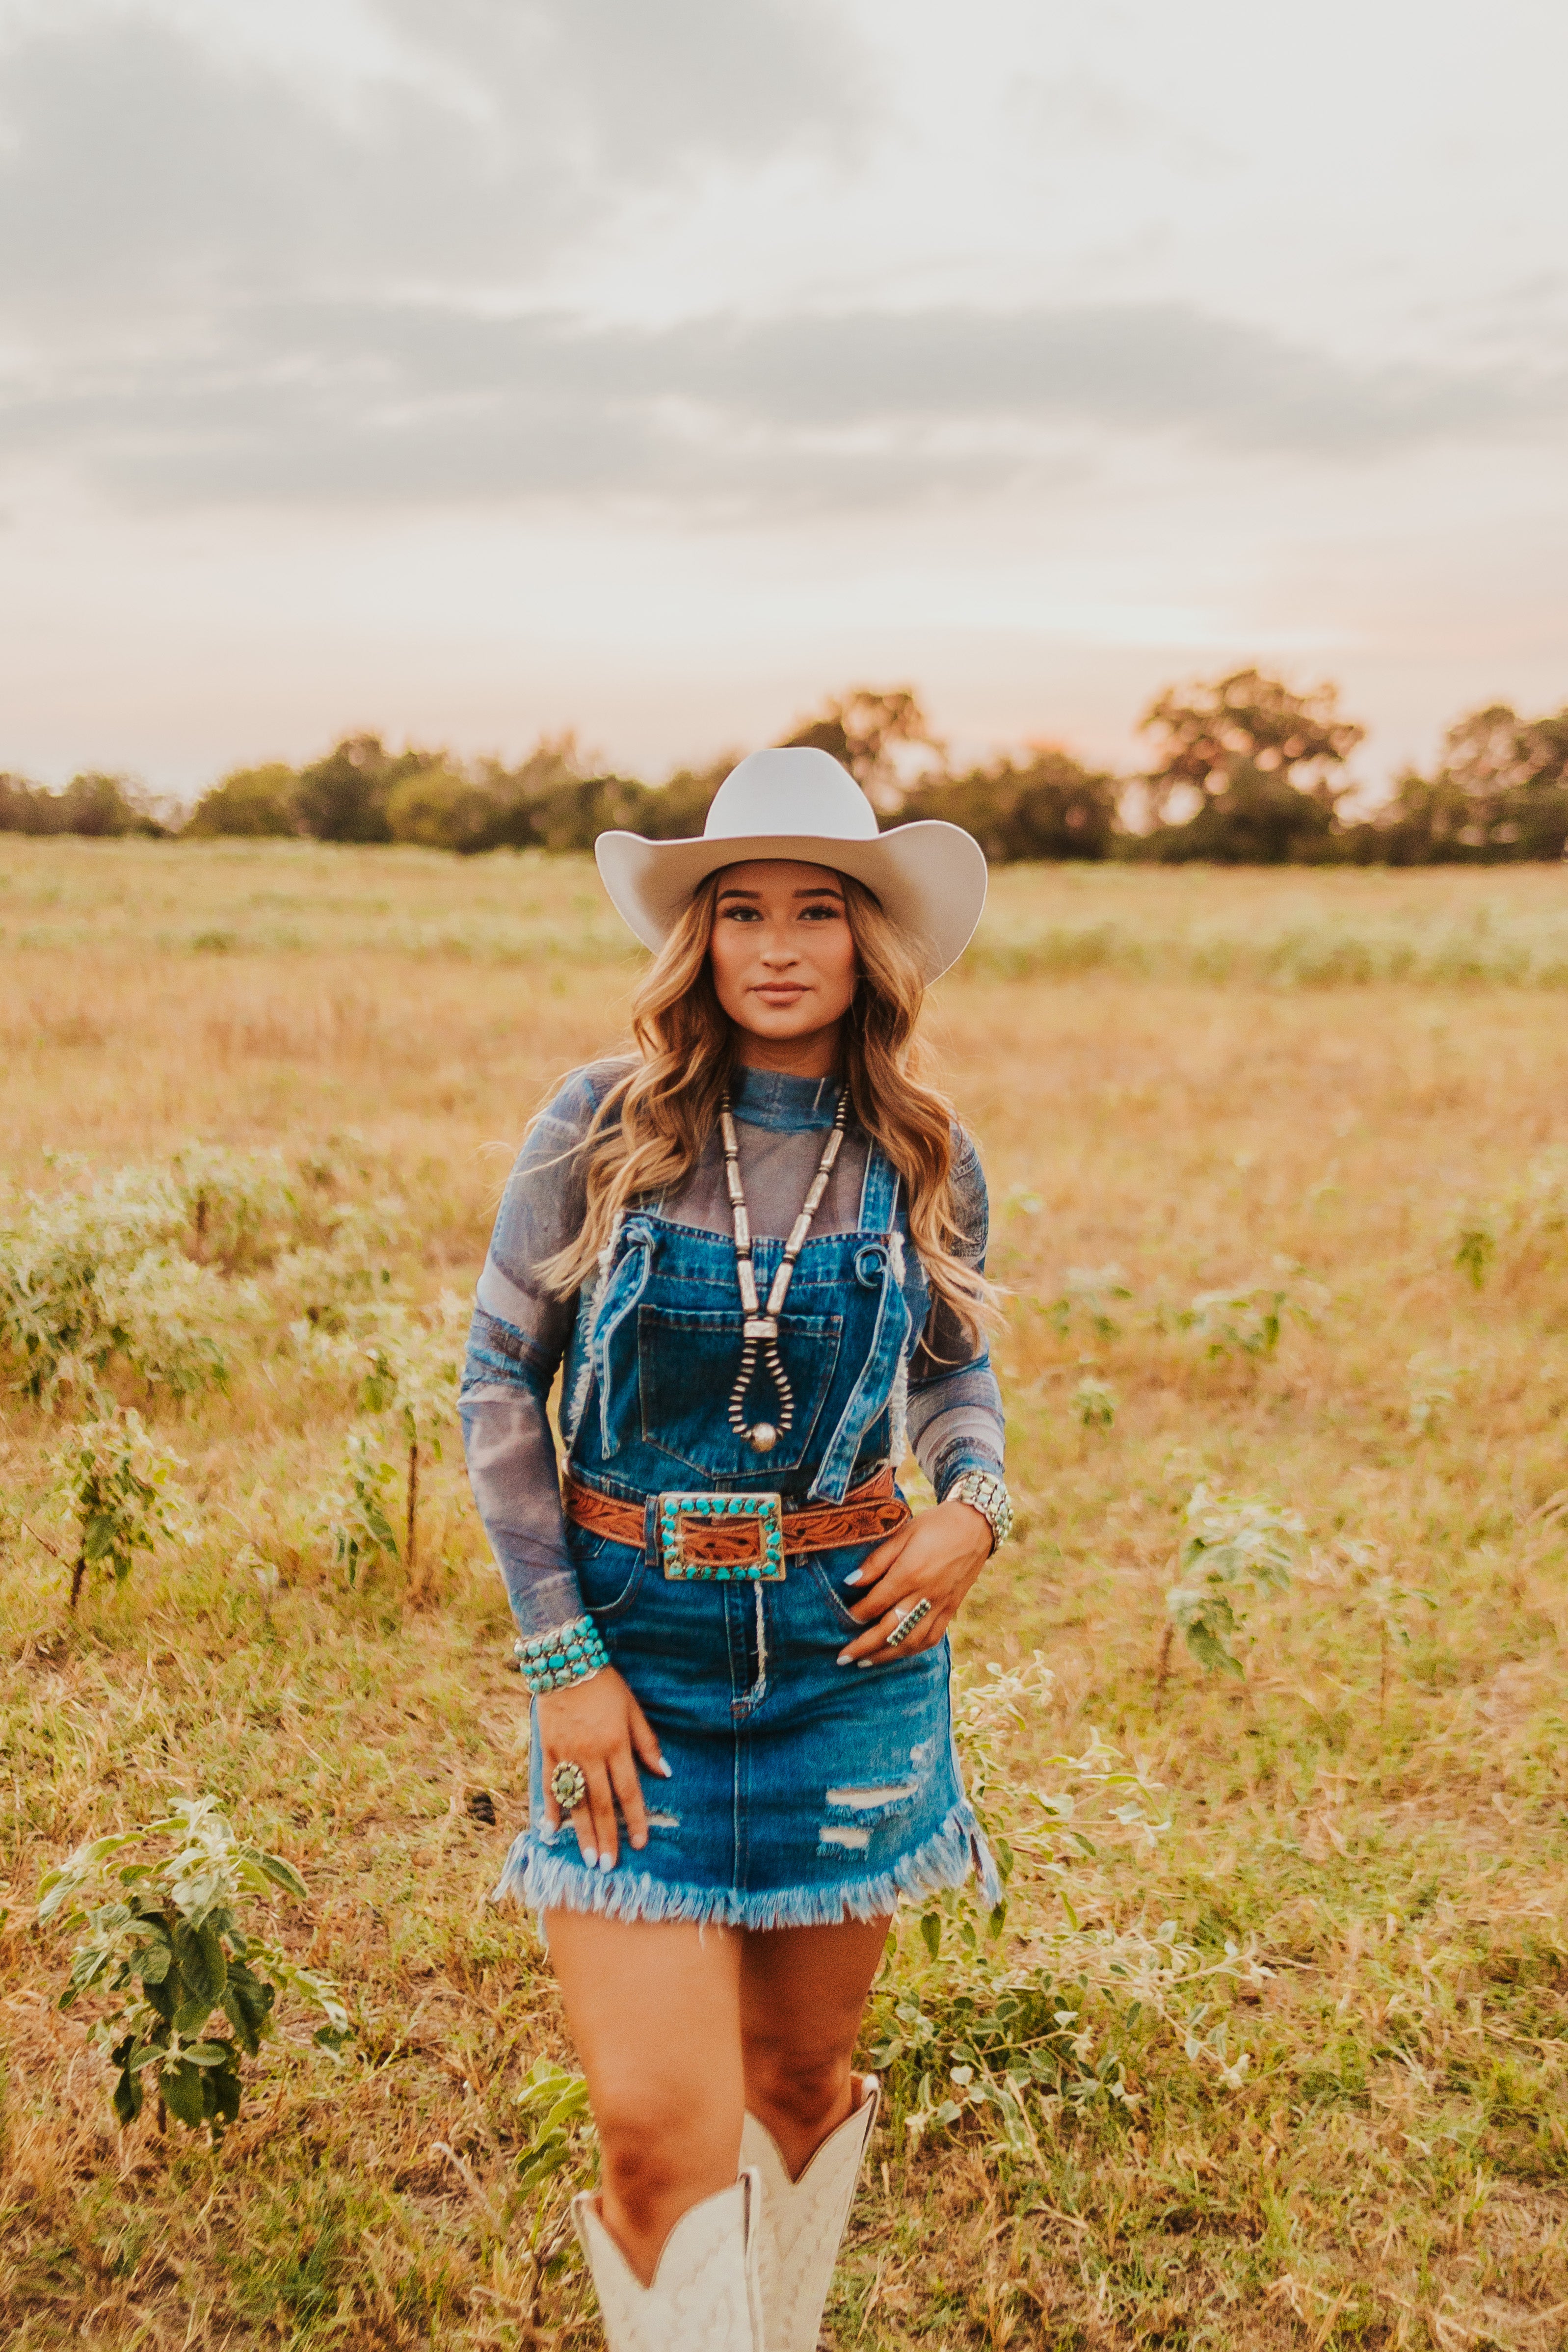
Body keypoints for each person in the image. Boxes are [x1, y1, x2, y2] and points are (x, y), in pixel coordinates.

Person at [460, 747, 1013, 2352]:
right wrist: (564, 1660)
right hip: (632, 1665)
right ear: (695, 941)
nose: (777, 945)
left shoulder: (921, 1144)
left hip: (849, 1666)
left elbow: (955, 1368)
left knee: (796, 2079)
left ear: (868, 943)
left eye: (817, 910)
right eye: (740, 910)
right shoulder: (600, 1121)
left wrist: (973, 1502)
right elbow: (501, 1382)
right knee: (655, 2128)